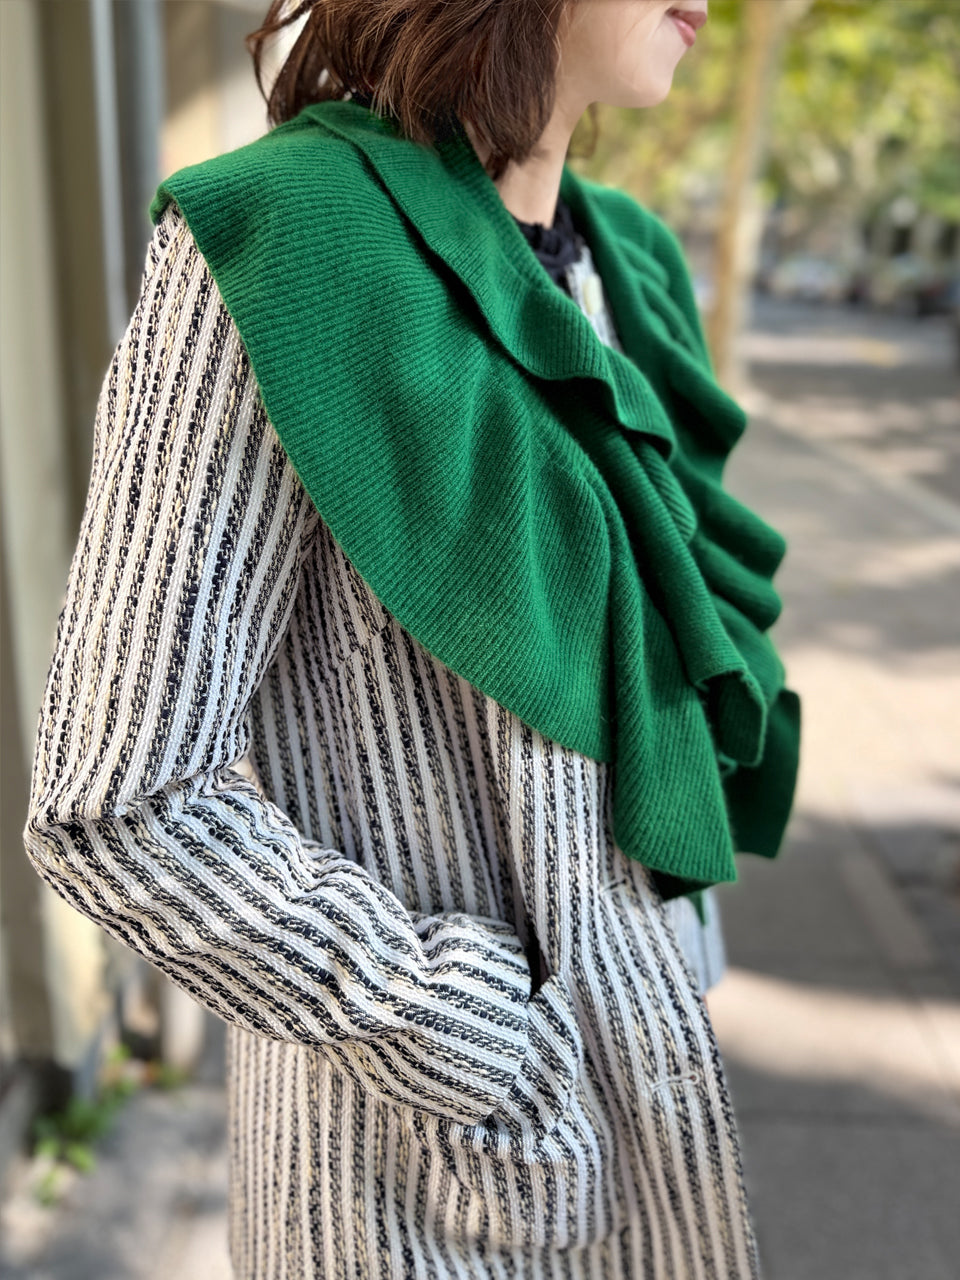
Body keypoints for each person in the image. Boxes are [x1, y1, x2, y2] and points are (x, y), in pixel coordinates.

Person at [23, 1, 801, 1276]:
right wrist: (475, 1032)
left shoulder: (631, 266)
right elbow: (120, 803)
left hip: (654, 1108)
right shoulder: (285, 242)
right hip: (419, 1179)